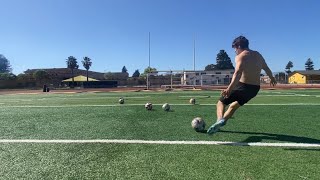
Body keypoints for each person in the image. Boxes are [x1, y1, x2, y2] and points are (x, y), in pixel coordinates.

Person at [207, 36, 277, 135]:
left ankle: (219, 119)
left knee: (220, 102)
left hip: (243, 86)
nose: (235, 51)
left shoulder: (241, 56)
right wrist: (272, 78)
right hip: (254, 89)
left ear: (238, 46)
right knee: (233, 106)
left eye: (235, 48)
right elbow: (266, 68)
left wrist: (229, 89)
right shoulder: (258, 55)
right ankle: (223, 121)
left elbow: (238, 73)